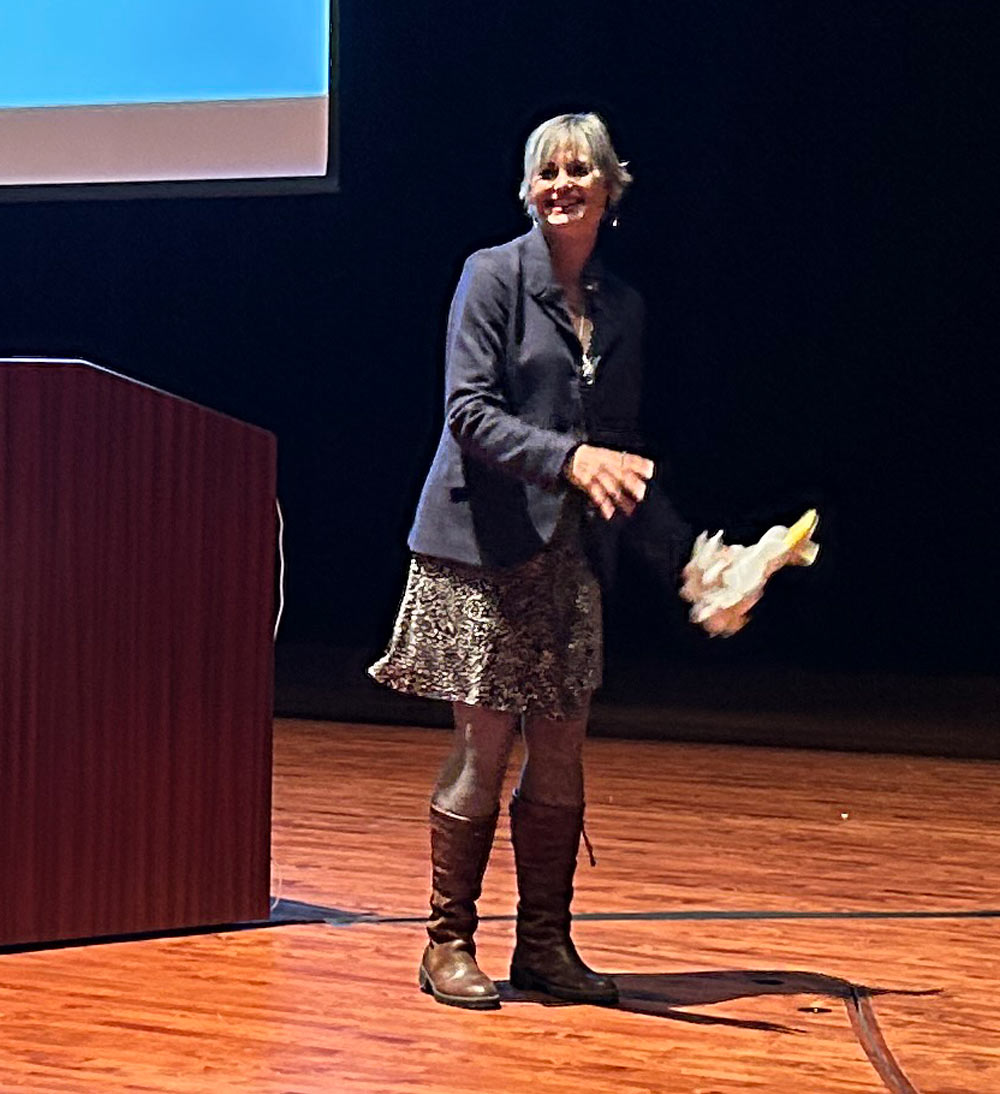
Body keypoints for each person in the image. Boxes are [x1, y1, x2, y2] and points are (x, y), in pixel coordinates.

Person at [370, 112, 693, 1010]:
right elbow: (467, 413)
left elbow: (619, 449)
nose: (562, 183)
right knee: (485, 743)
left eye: (579, 170)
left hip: (570, 558)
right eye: (546, 170)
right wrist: (568, 458)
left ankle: (545, 947)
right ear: (526, 188)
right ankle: (447, 944)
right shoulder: (492, 276)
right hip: (483, 548)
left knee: (562, 747)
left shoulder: (622, 307)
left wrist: (687, 556)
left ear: (609, 189)